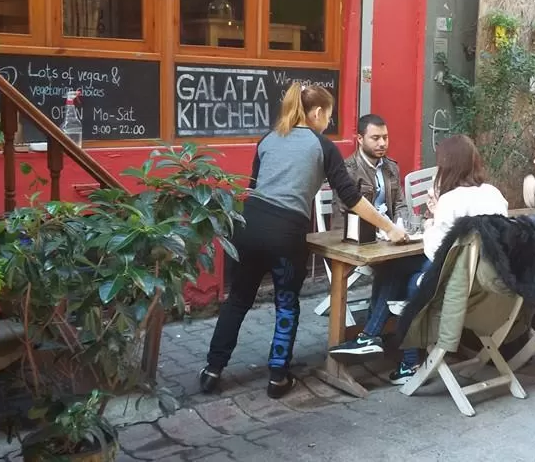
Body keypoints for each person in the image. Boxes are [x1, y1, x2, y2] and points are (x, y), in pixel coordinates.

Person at [200, 83, 407, 399]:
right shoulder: (321, 146)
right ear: (318, 113)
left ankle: (212, 369)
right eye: (329, 116)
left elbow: (254, 187)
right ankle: (278, 377)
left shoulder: (268, 140)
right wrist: (389, 227)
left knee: (239, 300)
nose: (328, 123)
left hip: (248, 225)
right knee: (286, 303)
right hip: (286, 232)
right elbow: (351, 197)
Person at [330, 135, 508, 385]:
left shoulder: (451, 200)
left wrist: (431, 219)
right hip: (484, 282)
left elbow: (437, 251)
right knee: (404, 272)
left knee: (404, 275)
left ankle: (380, 343)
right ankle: (387, 349)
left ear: (448, 166)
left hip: (457, 284)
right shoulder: (493, 194)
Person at [327, 114, 426, 357]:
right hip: (362, 240)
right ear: (359, 139)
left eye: (385, 137)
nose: (382, 143)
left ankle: (375, 334)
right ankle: (380, 335)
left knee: (408, 263)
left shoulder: (391, 166)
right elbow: (344, 216)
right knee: (401, 266)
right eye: (375, 138)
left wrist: (402, 224)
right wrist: (379, 231)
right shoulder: (347, 170)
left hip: (391, 239)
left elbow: (401, 203)